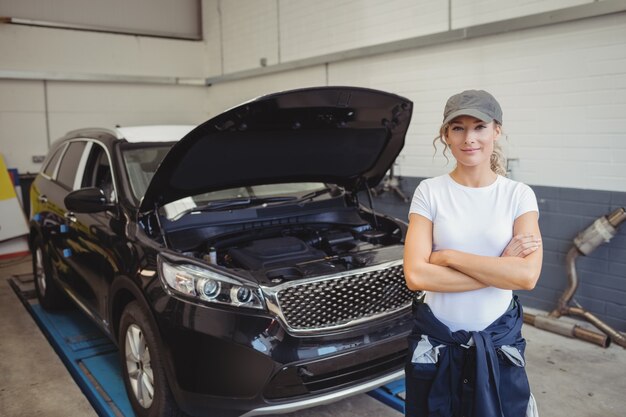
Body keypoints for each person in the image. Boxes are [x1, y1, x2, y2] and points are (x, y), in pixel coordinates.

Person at [403, 90, 543, 417]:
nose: (469, 138)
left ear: (497, 130)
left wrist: (449, 256)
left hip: (498, 342)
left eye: (479, 126)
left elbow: (526, 276)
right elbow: (416, 275)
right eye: (458, 128)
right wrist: (500, 269)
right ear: (446, 136)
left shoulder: (518, 196)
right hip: (437, 343)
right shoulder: (430, 192)